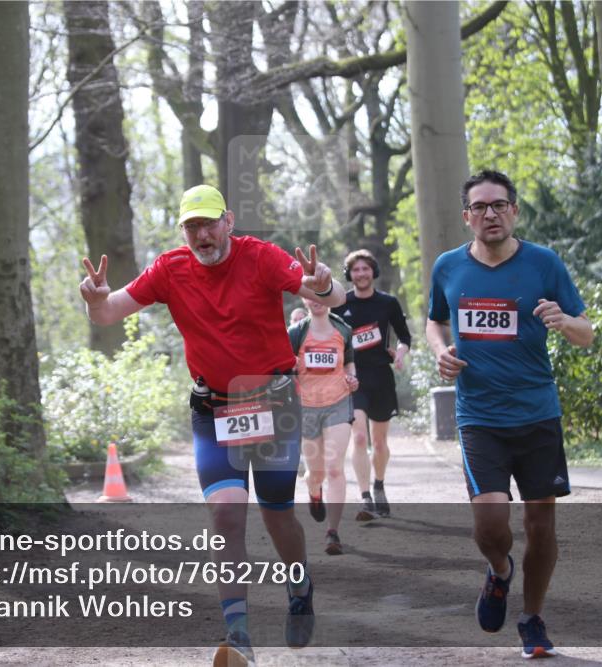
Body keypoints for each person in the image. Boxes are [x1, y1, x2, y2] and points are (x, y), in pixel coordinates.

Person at [79, 184, 345, 667]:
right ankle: (238, 635)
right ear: (183, 232)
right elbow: (110, 311)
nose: (202, 235)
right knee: (224, 520)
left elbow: (334, 294)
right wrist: (96, 300)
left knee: (276, 512)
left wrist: (323, 283)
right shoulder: (169, 268)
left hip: (273, 404)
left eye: (208, 223)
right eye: (191, 227)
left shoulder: (260, 257)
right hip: (213, 410)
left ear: (229, 221)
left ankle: (299, 581)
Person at [425, 169, 594, 659]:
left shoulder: (544, 264)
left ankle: (533, 618)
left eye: (499, 205)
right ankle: (500, 572)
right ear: (466, 217)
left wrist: (565, 322)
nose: (490, 214)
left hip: (538, 413)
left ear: (514, 211)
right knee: (490, 527)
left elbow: (587, 331)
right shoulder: (448, 268)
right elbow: (435, 320)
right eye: (480, 207)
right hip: (479, 416)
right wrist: (439, 350)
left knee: (542, 528)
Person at [333, 249, 411, 520]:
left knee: (379, 443)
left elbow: (404, 337)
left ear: (373, 272)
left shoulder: (387, 303)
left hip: (381, 376)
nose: (361, 274)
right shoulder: (340, 303)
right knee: (359, 437)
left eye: (365, 269)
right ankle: (365, 497)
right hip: (353, 378)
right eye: (356, 270)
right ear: (349, 274)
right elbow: (331, 338)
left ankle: (379, 484)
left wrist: (400, 353)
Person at [287, 297, 358, 555]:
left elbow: (349, 361)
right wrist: (290, 366)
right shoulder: (296, 332)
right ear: (304, 299)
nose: (316, 300)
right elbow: (281, 368)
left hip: (338, 403)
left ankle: (333, 531)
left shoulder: (343, 329)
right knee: (316, 472)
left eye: (321, 295)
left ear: (330, 298)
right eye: (310, 295)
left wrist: (352, 377)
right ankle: (314, 490)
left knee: (334, 468)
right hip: (306, 408)